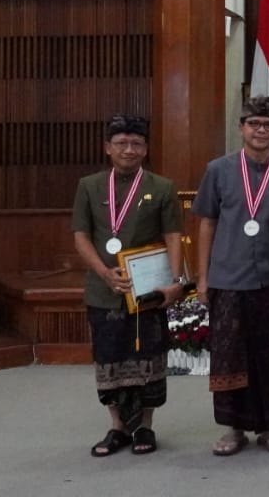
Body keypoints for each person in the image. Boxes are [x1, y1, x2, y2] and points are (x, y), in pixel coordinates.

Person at [191, 96, 269, 456]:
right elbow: (206, 223)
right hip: (227, 278)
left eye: (268, 125)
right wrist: (202, 277)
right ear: (241, 128)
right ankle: (233, 428)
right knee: (230, 355)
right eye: (254, 124)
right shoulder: (218, 170)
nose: (261, 130)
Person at [72, 114, 186, 457]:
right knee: (109, 357)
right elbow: (81, 236)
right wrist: (104, 272)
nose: (129, 150)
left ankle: (145, 427)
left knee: (148, 357)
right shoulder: (89, 186)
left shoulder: (161, 187)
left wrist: (175, 281)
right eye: (121, 143)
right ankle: (117, 427)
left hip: (148, 291)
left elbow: (173, 235)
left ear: (146, 149)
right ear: (107, 148)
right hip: (104, 289)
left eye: (136, 143)